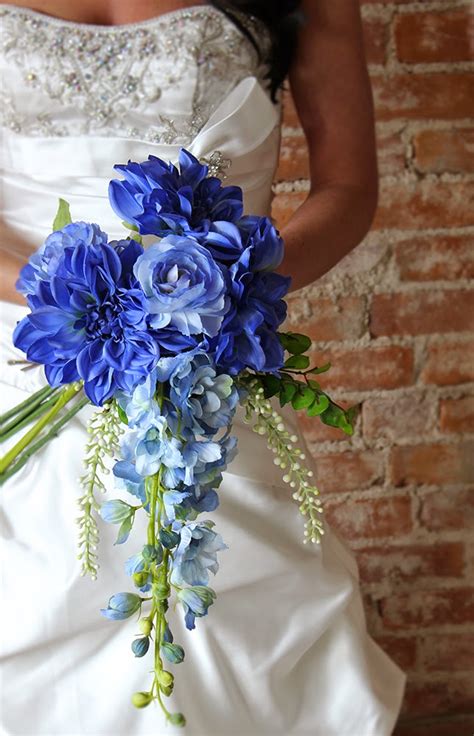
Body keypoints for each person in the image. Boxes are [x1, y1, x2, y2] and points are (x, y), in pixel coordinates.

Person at [0, 1, 406, 734]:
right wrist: (84, 295)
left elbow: (347, 190)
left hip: (207, 360)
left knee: (226, 623)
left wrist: (232, 281)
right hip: (26, 355)